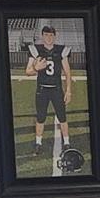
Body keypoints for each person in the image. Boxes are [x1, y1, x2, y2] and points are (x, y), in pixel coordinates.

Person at [26, 22, 73, 163]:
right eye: (46, 35)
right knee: (40, 117)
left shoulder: (61, 50)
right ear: (42, 36)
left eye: (51, 35)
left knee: (62, 117)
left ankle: (66, 143)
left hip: (57, 89)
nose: (48, 38)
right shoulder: (35, 50)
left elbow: (67, 72)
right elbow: (28, 71)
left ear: (55, 36)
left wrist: (69, 90)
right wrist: (36, 68)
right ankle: (38, 143)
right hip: (42, 89)